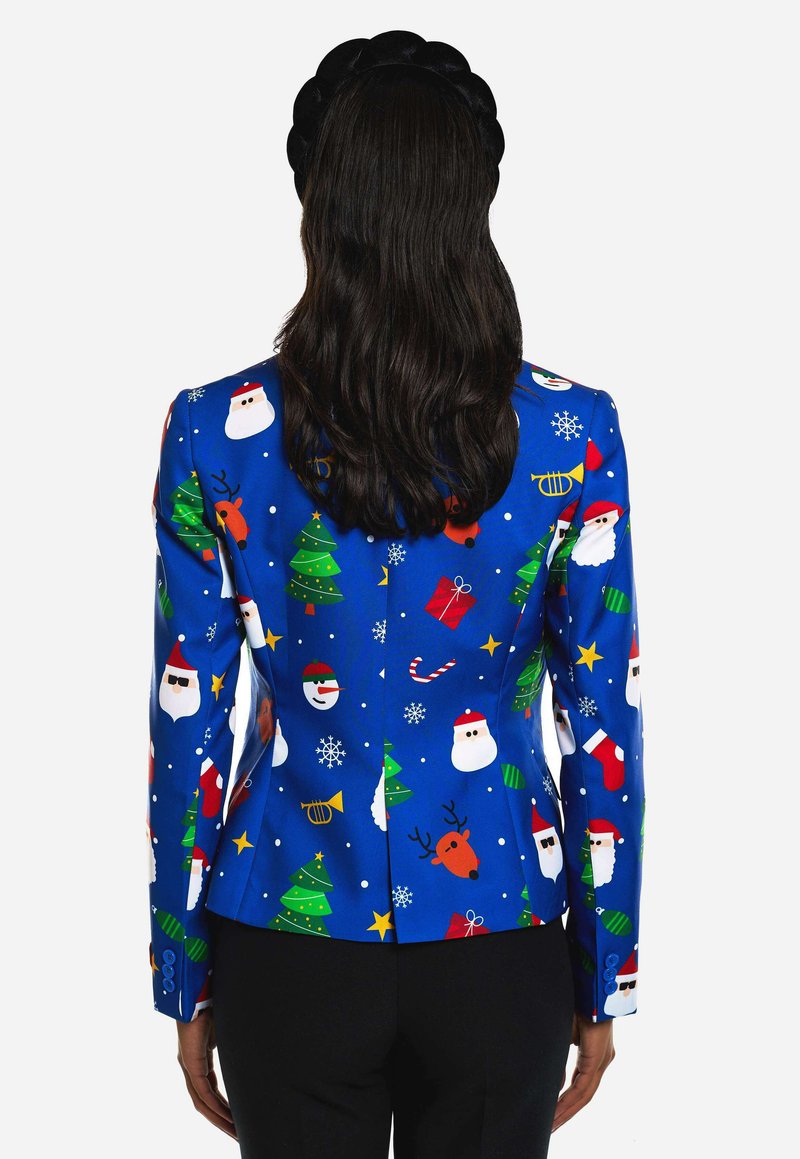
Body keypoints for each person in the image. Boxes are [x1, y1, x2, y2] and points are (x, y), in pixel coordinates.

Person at [145, 29, 646, 1159]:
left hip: (284, 936)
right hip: (501, 937)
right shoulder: (571, 432)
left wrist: (183, 972)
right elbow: (601, 717)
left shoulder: (215, 432)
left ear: (318, 206)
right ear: (472, 205)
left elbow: (189, 720)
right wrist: (603, 971)